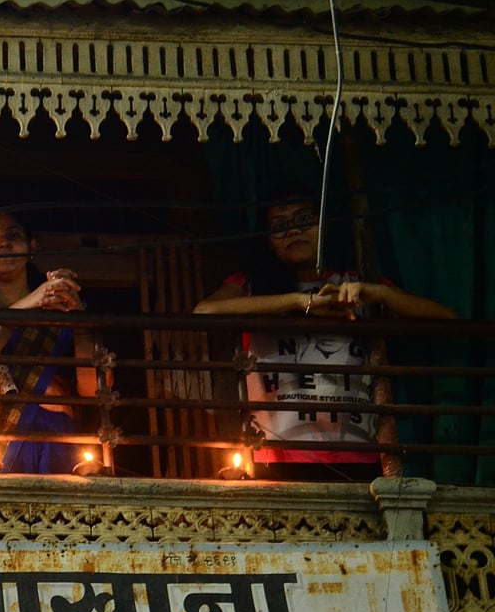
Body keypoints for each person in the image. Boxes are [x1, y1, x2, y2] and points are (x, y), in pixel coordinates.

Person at [193, 184, 456, 480]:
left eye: (304, 220)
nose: (293, 231)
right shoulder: (253, 287)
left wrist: (381, 294)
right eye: (280, 227)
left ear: (325, 226)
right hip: (277, 452)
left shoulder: (357, 284)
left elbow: (446, 319)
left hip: (357, 451)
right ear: (268, 241)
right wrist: (299, 302)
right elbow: (205, 311)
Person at [0, 211, 99, 473]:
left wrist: (81, 325)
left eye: (13, 235)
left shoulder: (62, 305)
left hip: (53, 438)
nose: (3, 243)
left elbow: (93, 389)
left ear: (32, 246)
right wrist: (30, 304)